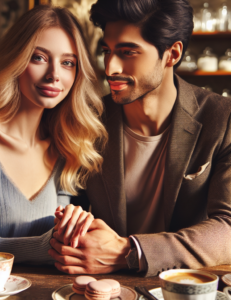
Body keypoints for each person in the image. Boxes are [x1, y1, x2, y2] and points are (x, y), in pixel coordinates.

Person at [48, 0, 231, 277]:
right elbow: (61, 206)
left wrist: (129, 252)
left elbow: (228, 228)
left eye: (128, 52)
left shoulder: (222, 119)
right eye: (107, 51)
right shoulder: (88, 120)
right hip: (96, 284)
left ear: (172, 54)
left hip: (185, 286)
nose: (110, 67)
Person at [0, 5, 107, 263]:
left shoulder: (64, 141)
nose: (54, 75)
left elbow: (57, 233)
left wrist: (74, 227)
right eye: (39, 57)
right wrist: (46, 248)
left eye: (68, 62)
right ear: (16, 58)